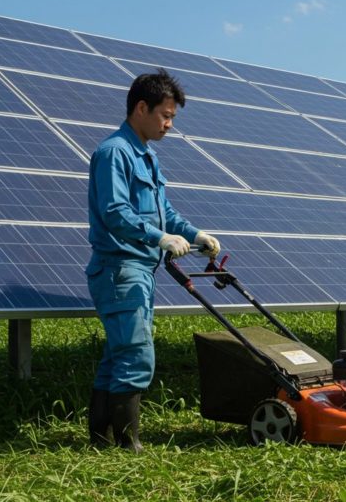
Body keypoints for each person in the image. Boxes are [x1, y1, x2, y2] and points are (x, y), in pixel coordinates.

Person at [85, 69, 220, 451]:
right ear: (141, 108)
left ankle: (101, 442)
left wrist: (194, 235)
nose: (170, 124)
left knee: (117, 355)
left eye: (173, 117)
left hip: (140, 269)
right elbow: (114, 211)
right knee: (136, 354)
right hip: (120, 268)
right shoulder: (114, 153)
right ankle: (130, 446)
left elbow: (165, 212)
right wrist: (158, 238)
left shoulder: (147, 155)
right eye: (165, 115)